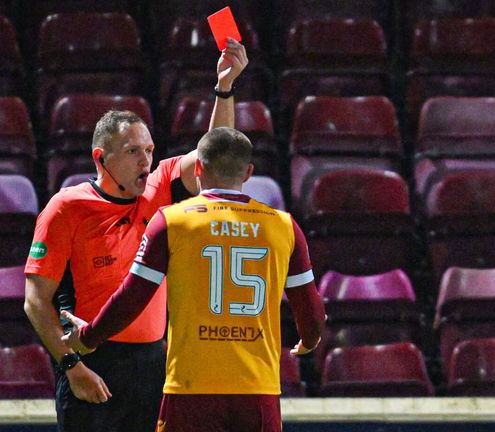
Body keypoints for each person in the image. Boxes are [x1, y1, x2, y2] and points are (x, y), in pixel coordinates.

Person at [24, 38, 248, 432]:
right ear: (100, 158)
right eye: (132, 152)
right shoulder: (66, 208)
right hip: (93, 362)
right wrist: (71, 367)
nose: (145, 161)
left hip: (152, 365)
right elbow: (35, 302)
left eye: (149, 150)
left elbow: (216, 154)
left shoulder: (159, 185)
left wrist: (224, 87)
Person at [61, 127, 326, 432]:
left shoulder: (171, 220)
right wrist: (309, 339)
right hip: (258, 390)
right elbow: (310, 308)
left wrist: (89, 337)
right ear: (249, 172)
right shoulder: (284, 226)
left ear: (198, 167)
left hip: (190, 389)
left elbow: (132, 297)